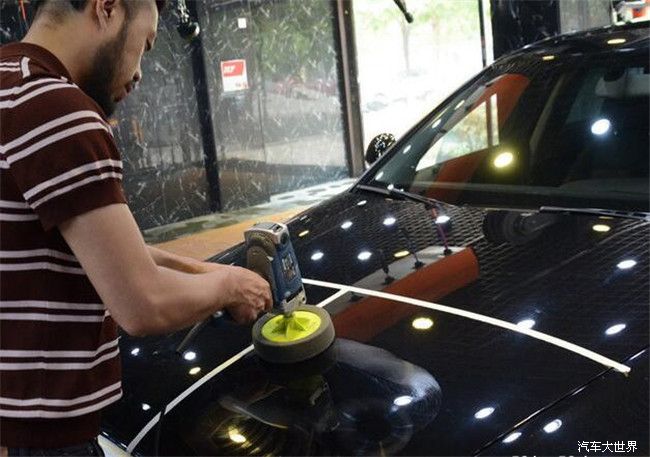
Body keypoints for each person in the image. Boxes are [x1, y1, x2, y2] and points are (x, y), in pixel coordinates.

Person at [0, 0, 272, 454]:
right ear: (107, 7)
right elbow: (142, 304)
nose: (140, 71)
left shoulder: (11, 81)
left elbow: (107, 255)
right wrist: (229, 287)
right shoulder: (56, 108)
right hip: (42, 436)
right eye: (144, 44)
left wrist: (220, 275)